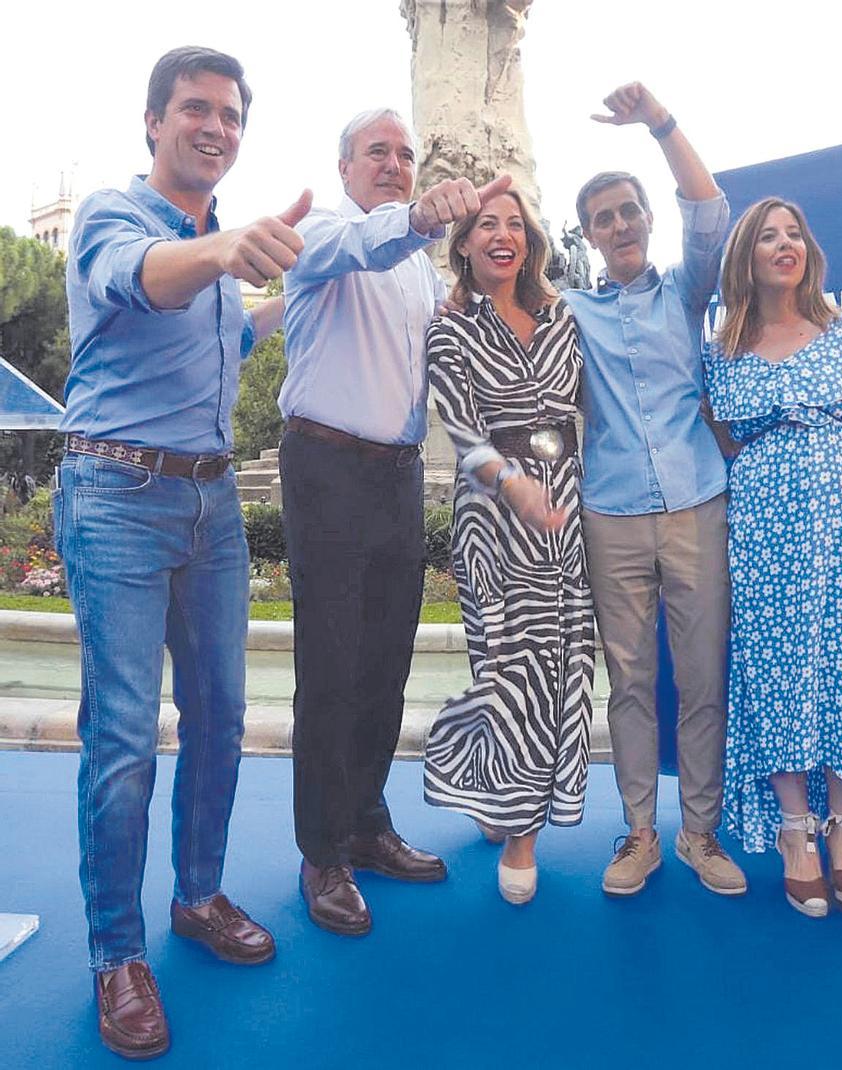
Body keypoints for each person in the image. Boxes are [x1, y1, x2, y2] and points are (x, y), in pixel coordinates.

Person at [58, 46, 308, 1059]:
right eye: (196, 109)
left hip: (209, 510)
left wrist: (301, 286)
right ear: (154, 123)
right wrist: (221, 249)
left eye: (231, 114)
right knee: (122, 735)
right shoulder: (117, 221)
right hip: (117, 495)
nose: (215, 126)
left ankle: (197, 894)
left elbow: (227, 335)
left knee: (223, 716)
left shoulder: (219, 251)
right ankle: (117, 952)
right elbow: (145, 280)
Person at [279, 107, 510, 936]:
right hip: (327, 469)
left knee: (384, 664)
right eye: (378, 151)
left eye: (407, 155)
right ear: (345, 167)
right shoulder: (324, 235)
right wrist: (415, 220)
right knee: (332, 668)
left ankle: (368, 826)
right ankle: (322, 853)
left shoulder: (417, 270)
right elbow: (369, 242)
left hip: (399, 476)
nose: (395, 163)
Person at [564, 82, 746, 897]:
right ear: (590, 236)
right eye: (603, 218)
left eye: (629, 210)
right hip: (610, 516)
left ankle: (699, 834)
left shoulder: (685, 290)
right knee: (630, 681)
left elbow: (710, 212)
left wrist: (662, 124)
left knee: (703, 677)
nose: (620, 225)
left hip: (698, 505)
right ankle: (638, 832)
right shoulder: (571, 310)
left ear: (645, 216)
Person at [704, 199, 842, 917]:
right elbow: (724, 435)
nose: (784, 244)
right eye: (768, 236)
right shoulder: (721, 347)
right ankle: (796, 827)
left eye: (794, 233)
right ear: (746, 256)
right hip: (764, 517)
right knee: (777, 659)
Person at [421, 188, 594, 905]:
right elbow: (464, 435)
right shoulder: (450, 330)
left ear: (532, 241)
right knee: (512, 666)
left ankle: (503, 790)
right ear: (462, 242)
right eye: (486, 225)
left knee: (567, 662)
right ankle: (520, 823)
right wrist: (512, 482)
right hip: (495, 512)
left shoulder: (564, 318)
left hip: (567, 506)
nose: (502, 235)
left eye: (515, 225)